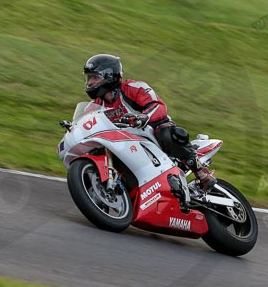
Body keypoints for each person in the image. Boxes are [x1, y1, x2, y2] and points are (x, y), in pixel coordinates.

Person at [82, 54, 217, 190]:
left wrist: (143, 117)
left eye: (95, 77)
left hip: (150, 132)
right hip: (124, 143)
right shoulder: (93, 107)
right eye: (89, 78)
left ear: (109, 76)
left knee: (168, 133)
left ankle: (201, 173)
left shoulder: (133, 88)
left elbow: (159, 106)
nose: (90, 82)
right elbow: (86, 125)